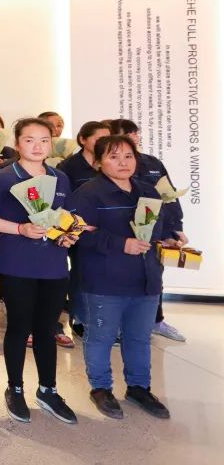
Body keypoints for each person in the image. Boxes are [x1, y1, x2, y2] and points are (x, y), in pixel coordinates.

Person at [69, 134, 184, 420]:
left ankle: (138, 388)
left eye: (128, 156)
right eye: (113, 156)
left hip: (146, 279)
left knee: (139, 338)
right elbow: (78, 235)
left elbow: (158, 228)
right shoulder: (88, 194)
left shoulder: (148, 191)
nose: (123, 162)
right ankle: (101, 388)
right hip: (105, 281)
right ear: (98, 162)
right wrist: (122, 244)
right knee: (101, 337)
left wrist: (170, 238)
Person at [0, 118, 79, 424]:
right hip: (18, 265)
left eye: (44, 140)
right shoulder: (3, 178)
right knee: (20, 327)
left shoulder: (60, 178)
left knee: (47, 329)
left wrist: (68, 234)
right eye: (30, 140)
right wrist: (20, 228)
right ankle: (15, 388)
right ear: (17, 143)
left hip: (54, 266)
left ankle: (48, 390)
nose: (37, 146)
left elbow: (66, 216)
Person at [109, 119, 186, 343]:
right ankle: (121, 325)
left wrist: (175, 227)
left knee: (154, 275)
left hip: (154, 230)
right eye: (128, 133)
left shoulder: (153, 163)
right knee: (122, 277)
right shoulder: (110, 165)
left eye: (135, 133)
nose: (134, 137)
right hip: (123, 232)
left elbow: (169, 195)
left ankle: (156, 320)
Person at [57, 120, 111, 338]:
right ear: (83, 140)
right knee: (80, 273)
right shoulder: (68, 167)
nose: (104, 142)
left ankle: (104, 320)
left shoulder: (109, 164)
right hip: (77, 229)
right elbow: (63, 201)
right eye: (99, 138)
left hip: (106, 230)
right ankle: (79, 319)